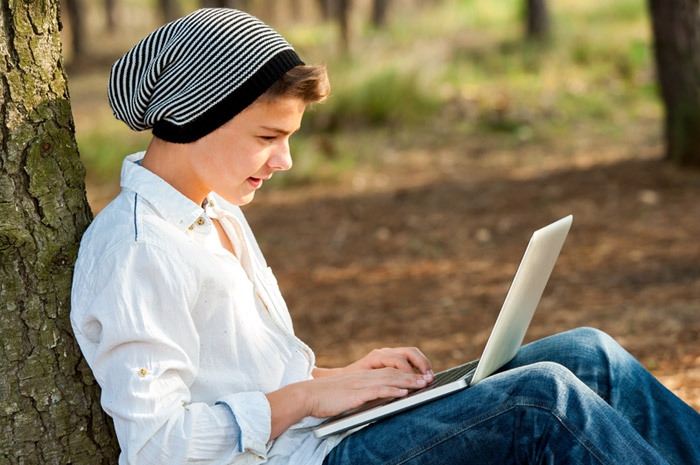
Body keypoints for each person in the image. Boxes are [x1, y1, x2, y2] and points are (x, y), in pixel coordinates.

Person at [70, 8, 700, 465]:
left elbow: (239, 373)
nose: (284, 162)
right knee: (544, 401)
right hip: (299, 461)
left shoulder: (217, 208)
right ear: (190, 117)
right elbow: (156, 446)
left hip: (322, 436)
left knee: (587, 353)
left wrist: (346, 376)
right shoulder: (138, 251)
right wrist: (313, 394)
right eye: (269, 138)